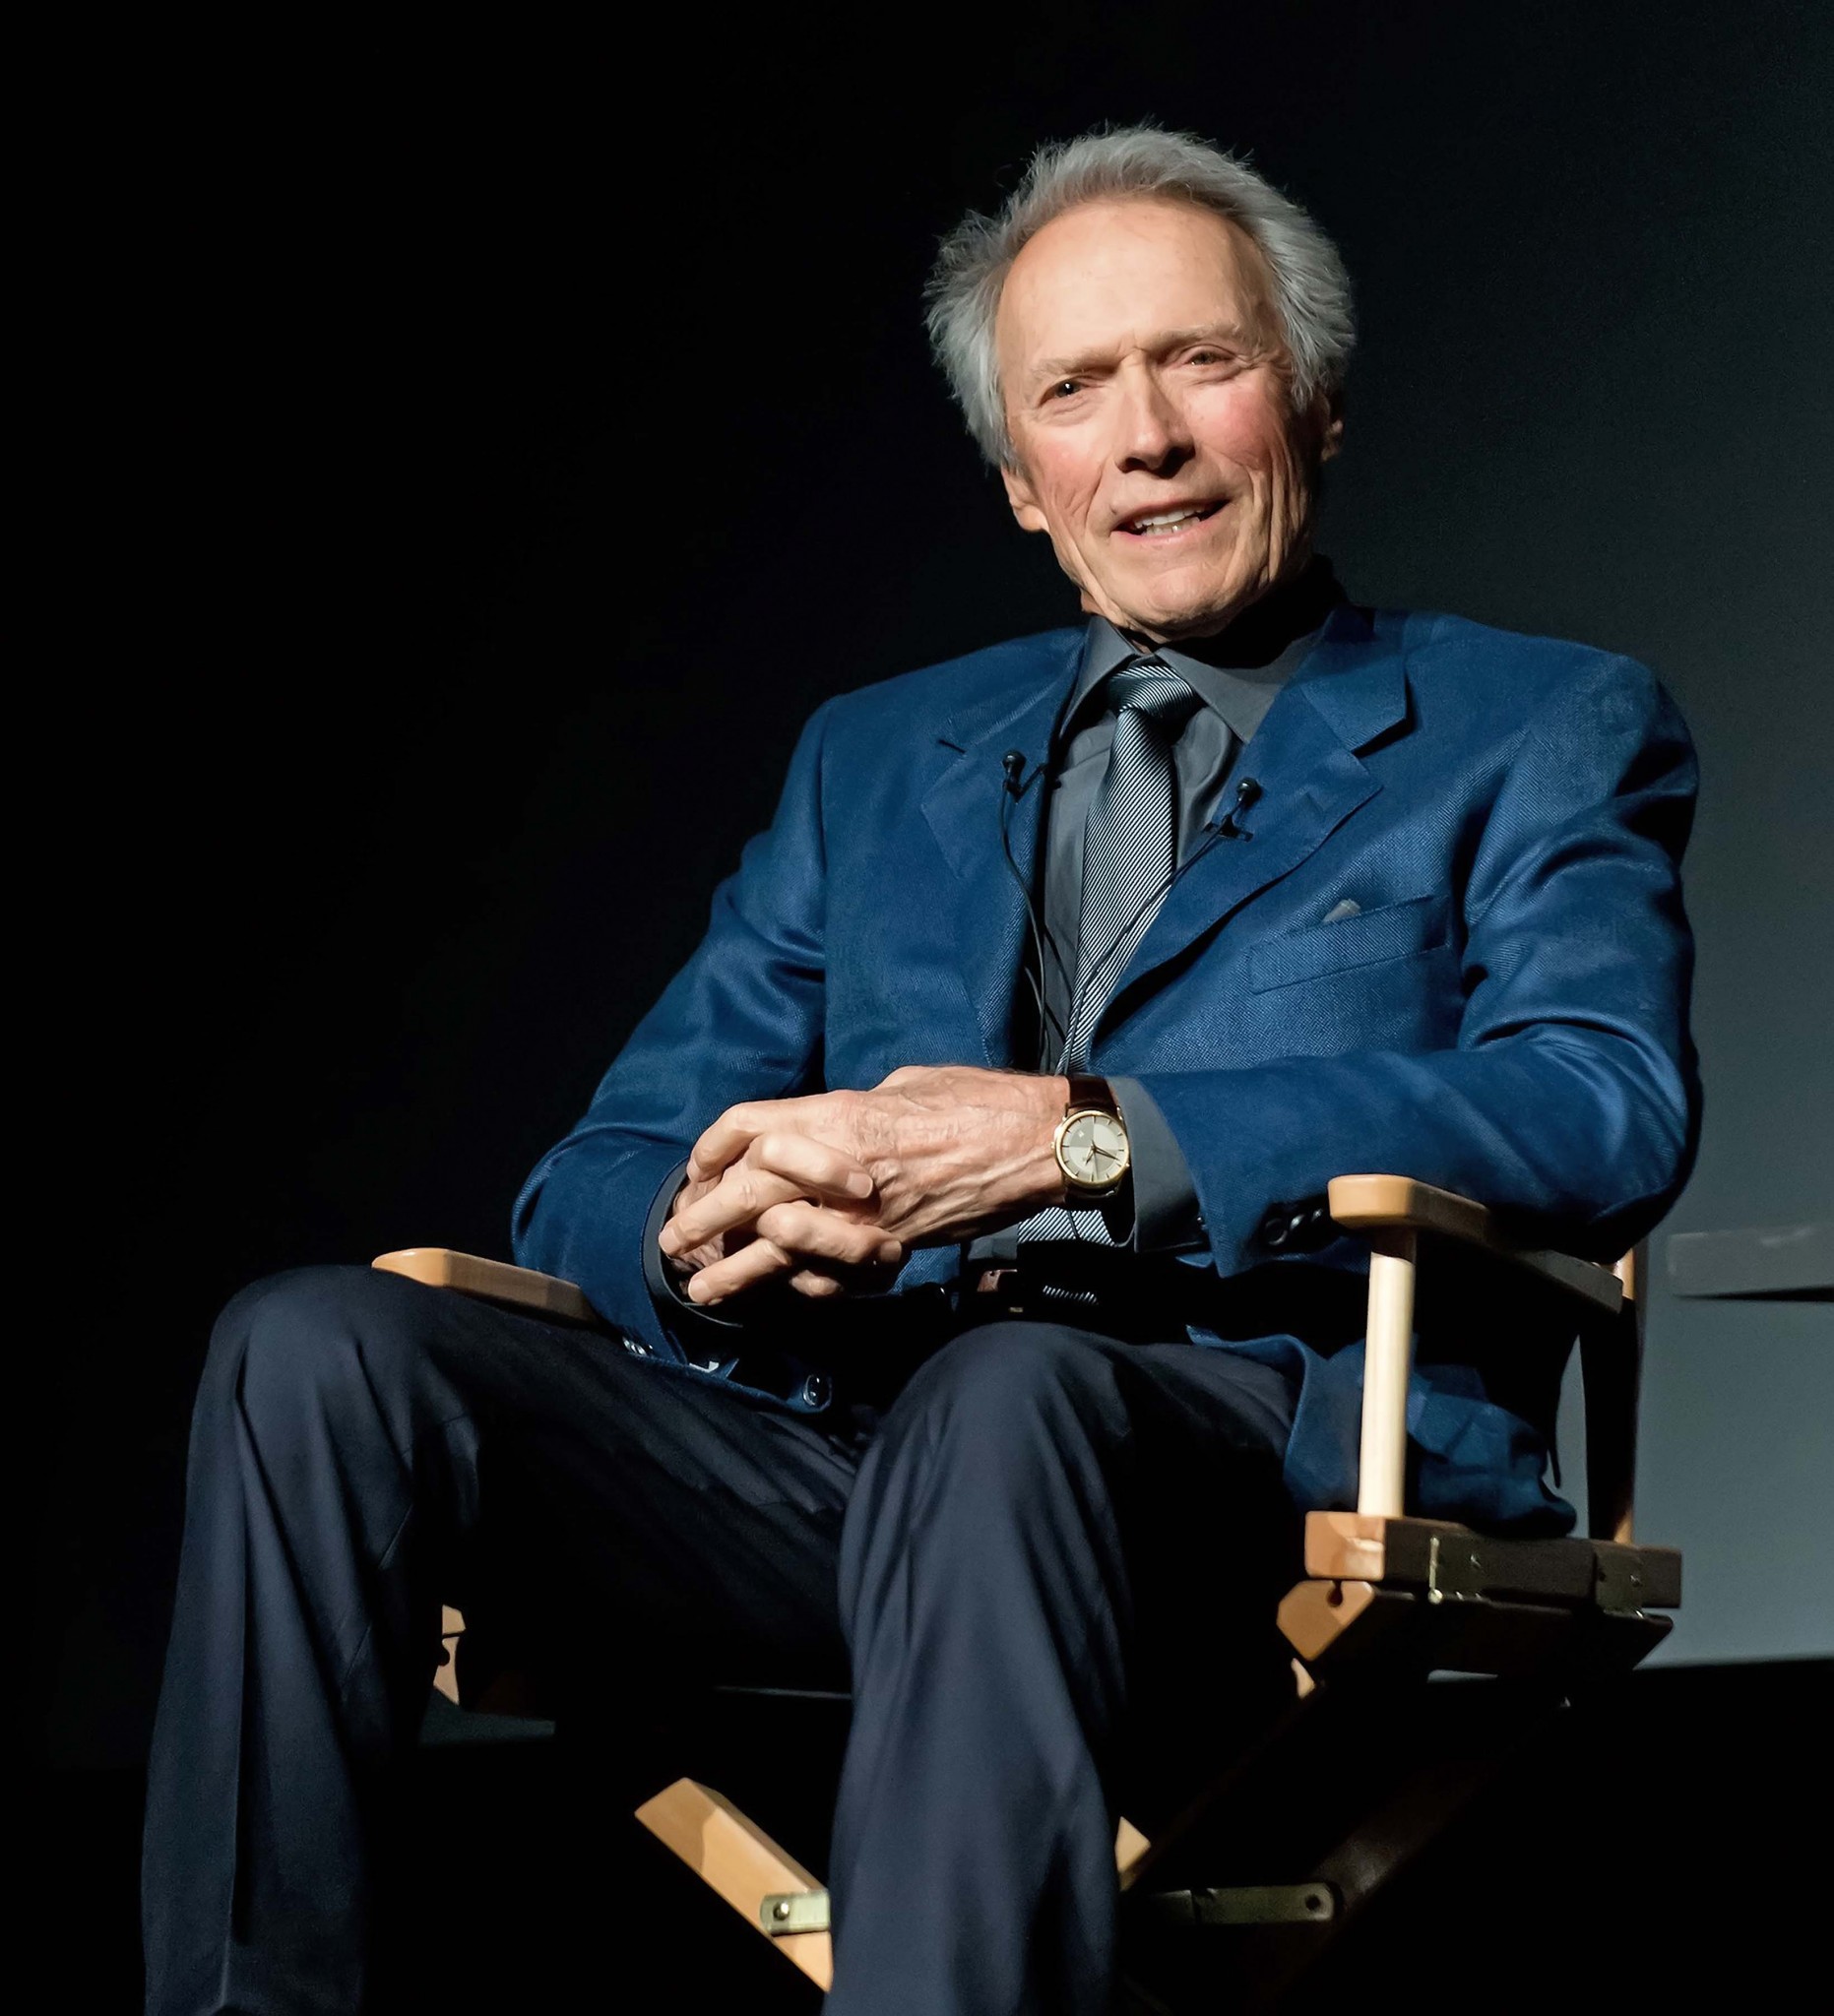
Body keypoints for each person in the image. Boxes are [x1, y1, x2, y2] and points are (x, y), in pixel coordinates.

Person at [143, 126, 1700, 2014]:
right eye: (1075, 391)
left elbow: (1600, 1099)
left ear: (1315, 402)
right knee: (314, 1347)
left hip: (1251, 1456)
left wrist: (1096, 1143)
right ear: (1023, 482)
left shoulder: (1536, 719)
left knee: (1008, 1392)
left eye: (1203, 362)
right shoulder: (874, 757)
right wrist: (708, 1228)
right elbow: (598, 1168)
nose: (1147, 438)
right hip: (837, 1455)